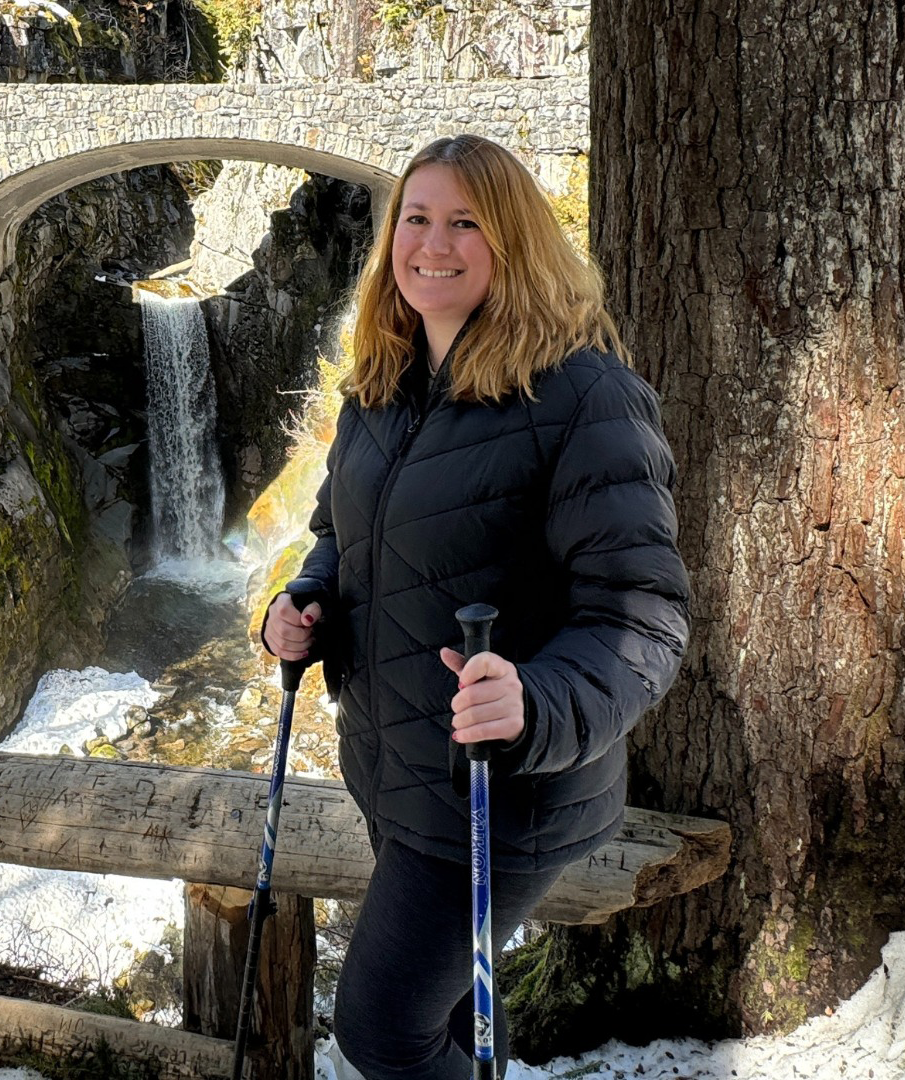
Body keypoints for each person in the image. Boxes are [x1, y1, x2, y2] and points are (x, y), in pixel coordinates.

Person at [263, 134, 690, 1080]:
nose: (433, 244)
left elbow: (645, 615)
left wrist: (536, 701)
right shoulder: (382, 383)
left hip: (506, 790)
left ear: (515, 242)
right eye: (416, 219)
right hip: (397, 769)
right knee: (452, 1019)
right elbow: (341, 535)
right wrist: (304, 602)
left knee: (381, 1029)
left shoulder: (585, 397)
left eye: (466, 223)